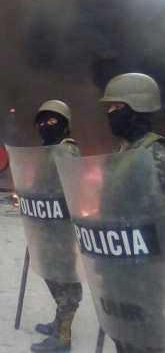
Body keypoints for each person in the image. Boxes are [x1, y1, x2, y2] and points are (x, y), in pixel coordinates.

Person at [99, 73, 165, 353]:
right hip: (117, 265)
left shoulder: (155, 155)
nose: (110, 114)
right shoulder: (120, 152)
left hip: (143, 272)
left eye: (116, 107)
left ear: (137, 108)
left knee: (144, 339)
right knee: (121, 334)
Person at [31, 100, 82, 353]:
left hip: (62, 228)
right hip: (47, 225)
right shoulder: (47, 150)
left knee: (65, 280)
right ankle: (58, 322)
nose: (45, 126)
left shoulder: (66, 150)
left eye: (52, 121)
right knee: (52, 276)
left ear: (64, 125)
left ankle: (63, 336)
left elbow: (71, 187)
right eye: (42, 122)